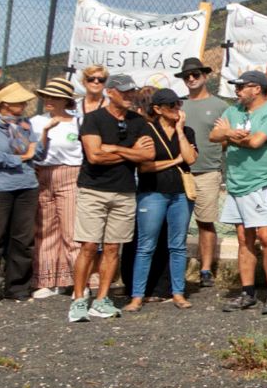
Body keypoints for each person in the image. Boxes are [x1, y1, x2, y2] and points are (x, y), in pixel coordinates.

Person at [70, 73, 154, 321]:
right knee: (87, 246)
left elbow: (147, 156)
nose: (130, 96)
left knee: (112, 248)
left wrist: (114, 148)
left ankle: (102, 299)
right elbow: (94, 156)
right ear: (110, 92)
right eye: (125, 91)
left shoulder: (138, 122)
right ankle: (78, 299)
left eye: (132, 91)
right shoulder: (93, 119)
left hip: (125, 191)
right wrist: (131, 152)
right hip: (93, 189)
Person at [212, 69, 267, 314]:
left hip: (263, 182)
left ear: (256, 89)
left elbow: (256, 142)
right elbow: (214, 135)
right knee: (244, 238)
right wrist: (228, 133)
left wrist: (230, 135)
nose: (237, 90)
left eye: (241, 86)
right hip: (237, 181)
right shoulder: (232, 111)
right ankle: (247, 292)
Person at [127, 88, 196, 311]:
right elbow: (144, 167)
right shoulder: (145, 131)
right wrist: (174, 161)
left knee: (177, 246)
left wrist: (181, 132)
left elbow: (190, 159)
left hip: (180, 194)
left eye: (178, 105)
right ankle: (137, 295)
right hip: (152, 193)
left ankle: (178, 292)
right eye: (171, 106)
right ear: (157, 109)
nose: (177, 109)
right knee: (146, 245)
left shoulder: (187, 131)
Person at [0, 81, 41, 302]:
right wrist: (23, 157)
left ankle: (17, 287)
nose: (25, 104)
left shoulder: (26, 124)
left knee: (23, 240)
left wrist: (34, 149)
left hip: (26, 187)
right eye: (20, 101)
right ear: (6, 104)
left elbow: (39, 151)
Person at [177, 56, 228, 288]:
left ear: (205, 76)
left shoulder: (219, 106)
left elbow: (225, 138)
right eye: (187, 75)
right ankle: (176, 268)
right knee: (178, 222)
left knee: (205, 222)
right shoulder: (178, 105)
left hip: (207, 171)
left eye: (195, 74)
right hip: (180, 171)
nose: (191, 78)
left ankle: (206, 269)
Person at [30, 78, 82, 297]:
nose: (49, 100)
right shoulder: (36, 121)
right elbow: (32, 150)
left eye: (55, 97)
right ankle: (47, 280)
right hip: (43, 173)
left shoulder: (78, 122)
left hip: (71, 173)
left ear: (65, 100)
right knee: (45, 228)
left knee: (71, 231)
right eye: (47, 96)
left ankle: (80, 282)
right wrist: (45, 131)